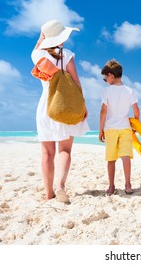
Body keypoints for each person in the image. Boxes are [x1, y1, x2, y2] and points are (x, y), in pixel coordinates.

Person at [31, 19, 89, 203]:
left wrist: (42, 37)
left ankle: (49, 193)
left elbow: (38, 48)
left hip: (47, 107)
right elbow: (76, 82)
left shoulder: (37, 55)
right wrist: (83, 104)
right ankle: (60, 186)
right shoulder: (68, 55)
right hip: (66, 106)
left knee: (47, 153)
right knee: (65, 150)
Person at [99, 59, 140, 195]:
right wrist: (135, 126)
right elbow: (136, 111)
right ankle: (128, 185)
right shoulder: (129, 90)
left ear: (110, 75)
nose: (105, 81)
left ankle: (111, 186)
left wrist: (100, 131)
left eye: (105, 78)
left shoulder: (106, 91)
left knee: (111, 159)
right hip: (125, 128)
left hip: (110, 129)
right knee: (126, 157)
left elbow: (103, 112)